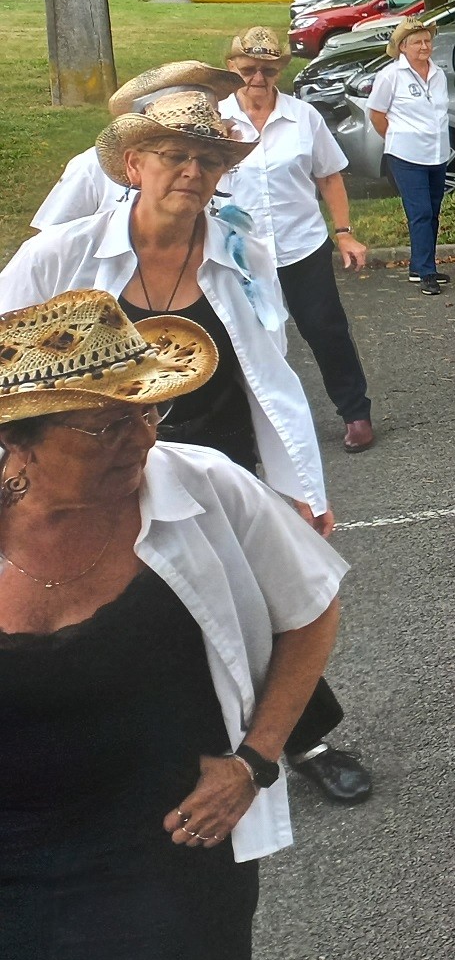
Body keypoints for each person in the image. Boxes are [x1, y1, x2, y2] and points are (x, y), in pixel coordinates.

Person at [0, 78, 374, 806]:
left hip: (221, 449)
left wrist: (301, 487)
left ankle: (300, 741)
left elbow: (270, 370)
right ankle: (123, 740)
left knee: (262, 597)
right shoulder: (61, 256)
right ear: (134, 164)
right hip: (94, 459)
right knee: (117, 597)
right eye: (173, 156)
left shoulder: (242, 250)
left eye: (207, 162)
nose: (191, 174)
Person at [0, 290, 348, 960]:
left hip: (166, 853)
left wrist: (255, 760)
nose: (145, 438)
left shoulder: (207, 488)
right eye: (107, 426)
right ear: (19, 442)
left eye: (148, 409)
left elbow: (312, 608)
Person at [217, 27, 378, 454]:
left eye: (267, 70)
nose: (257, 78)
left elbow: (328, 176)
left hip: (300, 244)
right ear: (232, 67)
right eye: (248, 68)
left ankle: (355, 413)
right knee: (246, 338)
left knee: (326, 330)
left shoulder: (303, 116)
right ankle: (253, 423)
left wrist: (344, 234)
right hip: (241, 252)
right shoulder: (216, 120)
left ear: (279, 70)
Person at [367, 17, 452, 295]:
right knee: (420, 212)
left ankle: (421, 264)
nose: (424, 46)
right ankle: (426, 273)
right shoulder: (391, 75)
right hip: (406, 155)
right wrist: (397, 137)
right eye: (417, 42)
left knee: (433, 211)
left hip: (437, 154)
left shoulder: (438, 73)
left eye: (427, 41)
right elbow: (377, 114)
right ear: (403, 46)